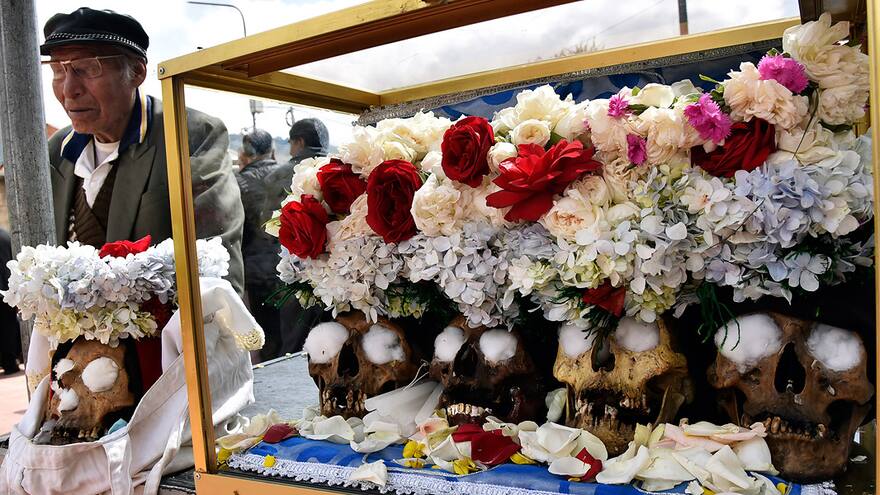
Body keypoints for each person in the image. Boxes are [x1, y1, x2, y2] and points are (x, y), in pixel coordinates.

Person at [41, 7, 244, 295]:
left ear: (136, 72)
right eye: (58, 71)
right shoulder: (54, 153)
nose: (69, 89)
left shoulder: (188, 135)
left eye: (87, 69)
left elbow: (217, 275)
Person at [261, 118, 329, 354]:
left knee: (294, 340)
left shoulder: (277, 176)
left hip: (292, 269)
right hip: (336, 272)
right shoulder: (336, 168)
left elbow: (268, 228)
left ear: (298, 142)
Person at [235, 129, 284, 361]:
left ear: (244, 155)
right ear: (272, 151)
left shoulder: (237, 183)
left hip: (254, 269)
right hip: (287, 264)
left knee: (265, 335)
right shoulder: (285, 174)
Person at [0, 229, 21, 375]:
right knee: (8, 328)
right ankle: (10, 362)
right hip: (6, 292)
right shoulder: (5, 235)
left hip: (3, 292)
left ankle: (9, 362)